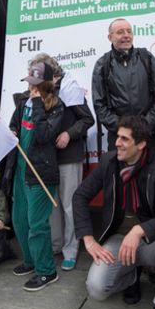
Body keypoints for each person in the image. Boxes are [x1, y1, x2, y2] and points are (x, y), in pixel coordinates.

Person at [73, 115, 155, 309]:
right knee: (97, 289)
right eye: (116, 137)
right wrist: (88, 239)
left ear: (140, 144)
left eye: (124, 139)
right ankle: (131, 277)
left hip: (150, 240)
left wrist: (139, 230)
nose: (116, 143)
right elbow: (80, 196)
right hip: (119, 239)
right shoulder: (109, 162)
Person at [4, 61, 65, 291]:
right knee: (20, 220)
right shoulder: (22, 103)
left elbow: (43, 135)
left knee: (37, 224)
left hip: (40, 173)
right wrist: (12, 130)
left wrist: (38, 103)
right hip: (20, 169)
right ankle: (30, 261)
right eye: (30, 83)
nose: (31, 88)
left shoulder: (57, 106)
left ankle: (46, 271)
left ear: (46, 85)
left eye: (36, 85)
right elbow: (13, 124)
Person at [29, 54, 94, 272]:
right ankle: (56, 244)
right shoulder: (40, 91)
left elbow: (88, 119)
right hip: (47, 158)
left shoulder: (70, 88)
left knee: (69, 205)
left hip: (69, 156)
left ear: (53, 75)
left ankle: (71, 250)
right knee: (52, 204)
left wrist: (69, 133)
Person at [91, 17, 155, 151]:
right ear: (110, 37)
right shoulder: (102, 64)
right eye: (120, 32)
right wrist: (123, 129)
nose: (126, 35)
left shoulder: (146, 58)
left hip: (149, 136)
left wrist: (146, 125)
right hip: (120, 139)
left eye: (129, 31)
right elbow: (99, 104)